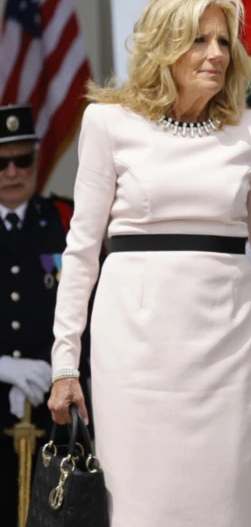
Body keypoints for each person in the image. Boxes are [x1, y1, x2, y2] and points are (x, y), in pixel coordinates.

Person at [45, 0, 251, 527]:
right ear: (164, 46)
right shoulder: (107, 123)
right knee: (139, 503)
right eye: (200, 40)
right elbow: (80, 253)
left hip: (226, 348)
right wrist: (63, 362)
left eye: (224, 41)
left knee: (226, 500)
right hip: (134, 351)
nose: (217, 53)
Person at [0, 103, 81, 527]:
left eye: (23, 159)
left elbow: (94, 308)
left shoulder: (66, 222)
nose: (13, 172)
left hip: (56, 414)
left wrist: (61, 370)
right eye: (1, 162)